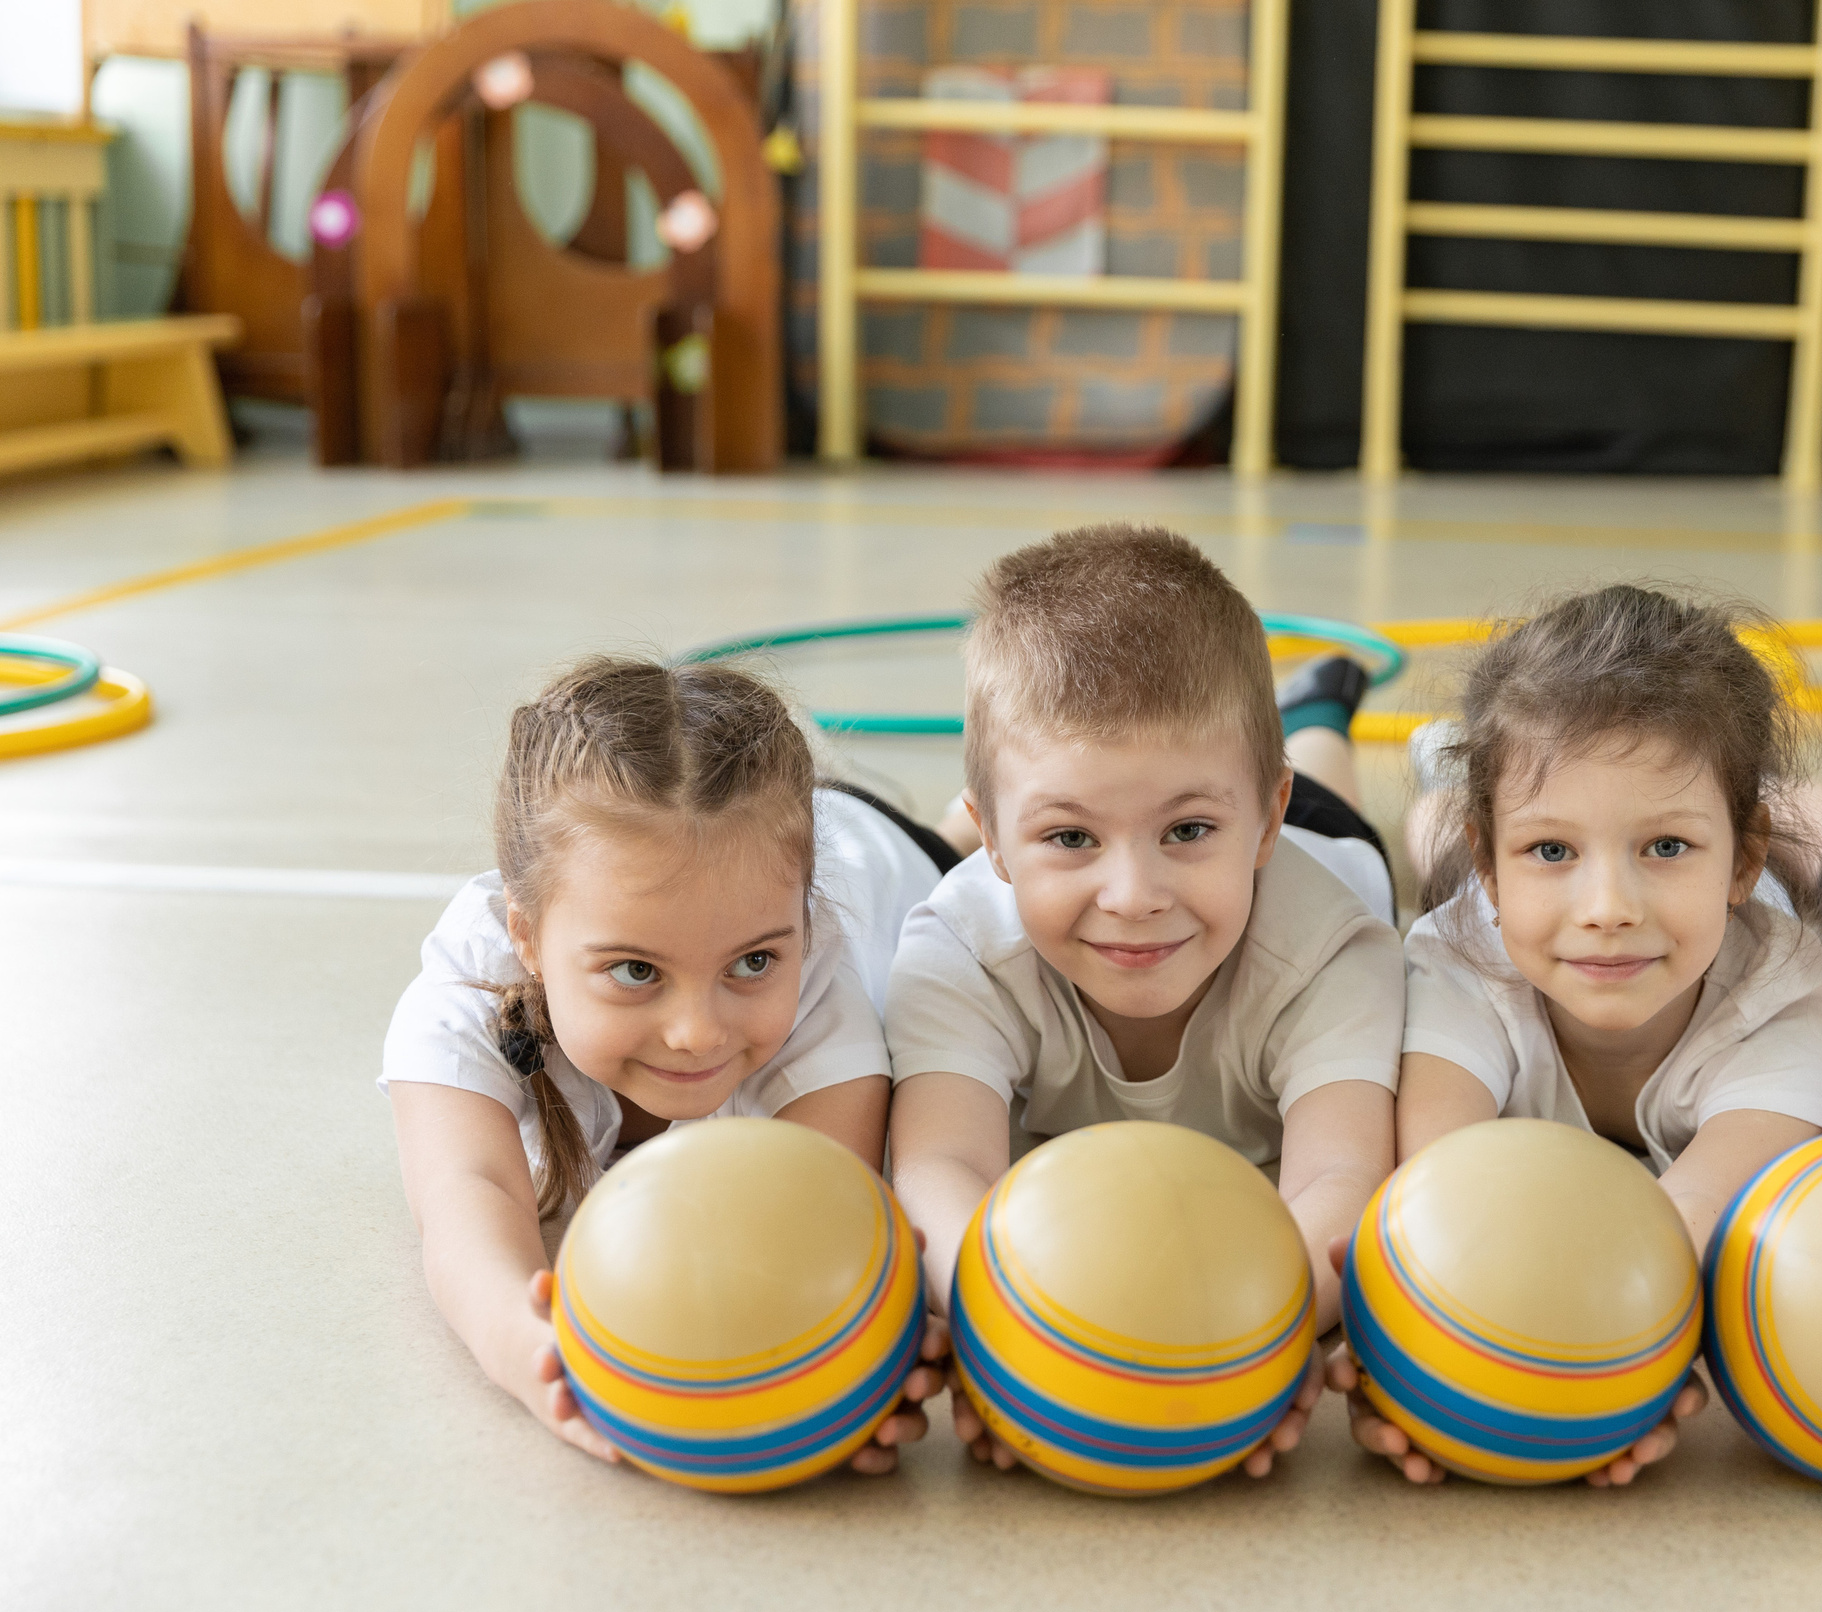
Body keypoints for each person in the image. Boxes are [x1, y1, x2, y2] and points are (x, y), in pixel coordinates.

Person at [885, 523, 1403, 1478]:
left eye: (1186, 828)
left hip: (1323, 849)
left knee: (1336, 790)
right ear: (994, 846)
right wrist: (1018, 1336)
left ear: (1260, 818)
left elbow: (1341, 1185)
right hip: (1184, 845)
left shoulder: (1337, 952)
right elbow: (937, 1167)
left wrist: (1244, 1337)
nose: (1133, 893)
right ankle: (1054, 805)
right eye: (1070, 838)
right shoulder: (955, 944)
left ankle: (1321, 708)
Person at [382, 657, 956, 1468]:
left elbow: (811, 1224)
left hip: (884, 852)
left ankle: (958, 827)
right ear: (525, 935)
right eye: (636, 970)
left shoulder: (828, 986)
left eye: (753, 963)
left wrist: (848, 1369)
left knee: (948, 853)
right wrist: (529, 1350)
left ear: (799, 928)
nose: (696, 1031)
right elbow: (465, 1200)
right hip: (782, 850)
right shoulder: (461, 997)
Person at [1351, 584, 1822, 1486]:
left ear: (1739, 856)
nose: (1609, 910)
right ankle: (1417, 773)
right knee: (1428, 849)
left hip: (1775, 900)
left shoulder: (1791, 1003)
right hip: (1477, 894)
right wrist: (1419, 1363)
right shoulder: (1453, 960)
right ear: (1496, 864)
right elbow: (1443, 1199)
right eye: (1550, 850)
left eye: (1665, 846)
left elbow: (1685, 1226)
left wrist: (1600, 1373)